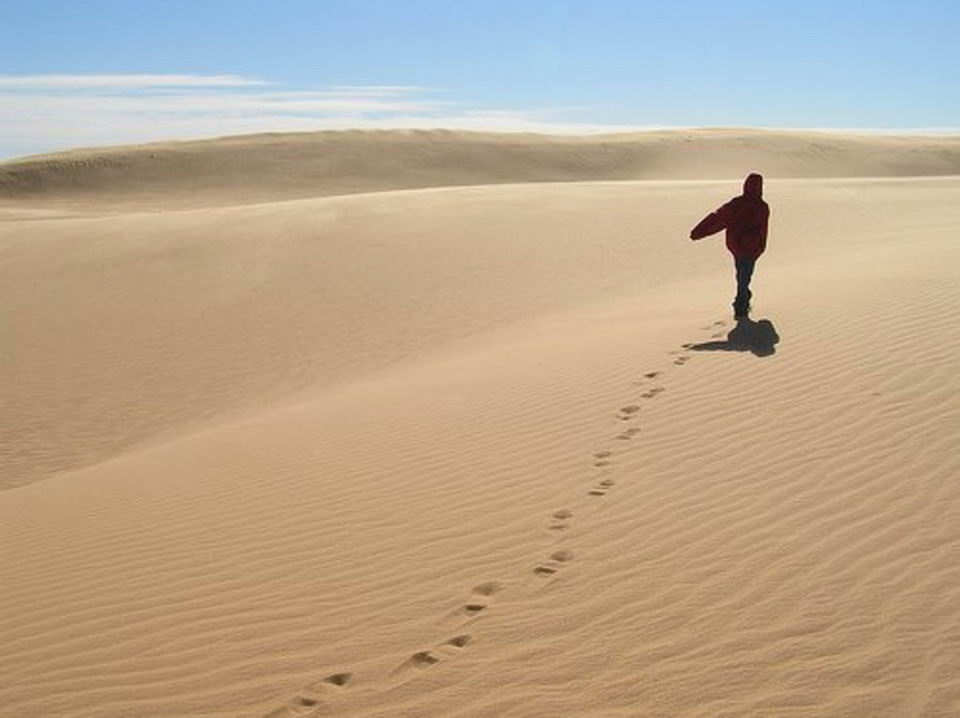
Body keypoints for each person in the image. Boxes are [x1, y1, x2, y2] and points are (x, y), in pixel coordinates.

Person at [689, 173, 769, 318]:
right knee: (744, 276)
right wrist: (760, 248)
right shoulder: (762, 206)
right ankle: (741, 308)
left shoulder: (739, 203)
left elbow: (718, 217)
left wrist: (699, 231)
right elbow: (763, 231)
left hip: (739, 247)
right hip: (750, 249)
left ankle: (742, 302)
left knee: (743, 275)